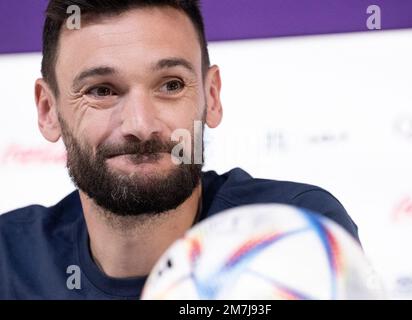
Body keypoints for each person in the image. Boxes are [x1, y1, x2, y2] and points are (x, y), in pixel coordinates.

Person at [0, 0, 359, 299]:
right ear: (48, 111)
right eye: (102, 91)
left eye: (171, 85)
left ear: (212, 97)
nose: (141, 125)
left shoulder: (289, 230)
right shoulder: (9, 260)